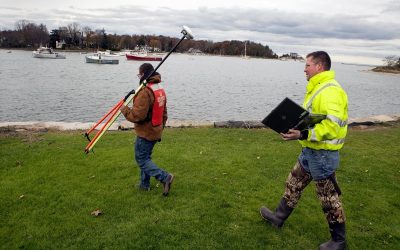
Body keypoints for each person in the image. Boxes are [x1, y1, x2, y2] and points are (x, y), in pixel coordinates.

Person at [260, 51, 348, 250]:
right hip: (310, 151)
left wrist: (302, 135)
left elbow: (332, 127)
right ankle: (278, 218)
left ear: (319, 67)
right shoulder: (318, 87)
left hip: (323, 155)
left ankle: (339, 241)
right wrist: (297, 127)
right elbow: (315, 119)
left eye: (307, 65)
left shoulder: (330, 91)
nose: (304, 69)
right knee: (293, 184)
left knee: (328, 198)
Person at [120, 63, 174, 196]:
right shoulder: (159, 88)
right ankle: (144, 185)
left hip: (146, 132)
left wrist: (124, 109)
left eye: (139, 74)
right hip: (155, 129)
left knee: (142, 159)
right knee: (146, 158)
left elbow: (138, 116)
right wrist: (161, 127)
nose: (138, 77)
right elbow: (164, 112)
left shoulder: (145, 92)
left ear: (143, 75)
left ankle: (165, 177)